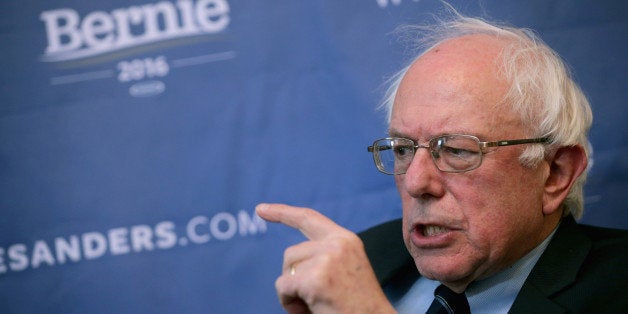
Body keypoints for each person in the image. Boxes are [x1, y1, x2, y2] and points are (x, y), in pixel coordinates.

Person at [256, 10, 628, 314]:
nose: (417, 181)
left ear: (555, 174)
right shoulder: (365, 258)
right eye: (403, 149)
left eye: (456, 150)